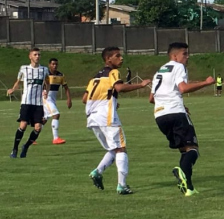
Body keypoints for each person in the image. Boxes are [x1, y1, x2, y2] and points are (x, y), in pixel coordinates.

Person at [149, 43, 214, 197]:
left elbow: (151, 98)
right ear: (174, 56)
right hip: (175, 114)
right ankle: (181, 173)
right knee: (193, 150)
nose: (187, 57)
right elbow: (183, 88)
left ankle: (189, 188)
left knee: (184, 151)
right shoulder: (178, 67)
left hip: (160, 116)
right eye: (184, 54)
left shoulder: (159, 71)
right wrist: (206, 83)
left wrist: (181, 106)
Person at [84, 47, 151, 195]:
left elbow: (84, 99)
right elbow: (119, 87)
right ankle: (122, 185)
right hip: (106, 116)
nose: (121, 58)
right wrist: (141, 85)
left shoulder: (95, 77)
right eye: (117, 56)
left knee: (113, 149)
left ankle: (97, 171)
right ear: (108, 59)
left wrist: (111, 101)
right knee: (121, 148)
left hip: (93, 118)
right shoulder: (113, 72)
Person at [7, 48, 49, 158]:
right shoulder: (24, 68)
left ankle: (25, 146)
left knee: (38, 128)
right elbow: (18, 82)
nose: (37, 56)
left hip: (38, 103)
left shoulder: (44, 70)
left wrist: (46, 92)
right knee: (23, 125)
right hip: (26, 102)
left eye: (39, 54)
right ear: (30, 56)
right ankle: (15, 149)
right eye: (35, 54)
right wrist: (12, 89)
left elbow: (47, 83)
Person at [43, 58, 72, 144]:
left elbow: (66, 88)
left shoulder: (60, 75)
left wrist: (69, 99)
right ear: (49, 65)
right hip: (46, 98)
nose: (55, 66)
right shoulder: (45, 74)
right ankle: (55, 138)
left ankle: (31, 138)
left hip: (52, 99)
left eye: (56, 64)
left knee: (44, 119)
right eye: (53, 64)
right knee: (56, 115)